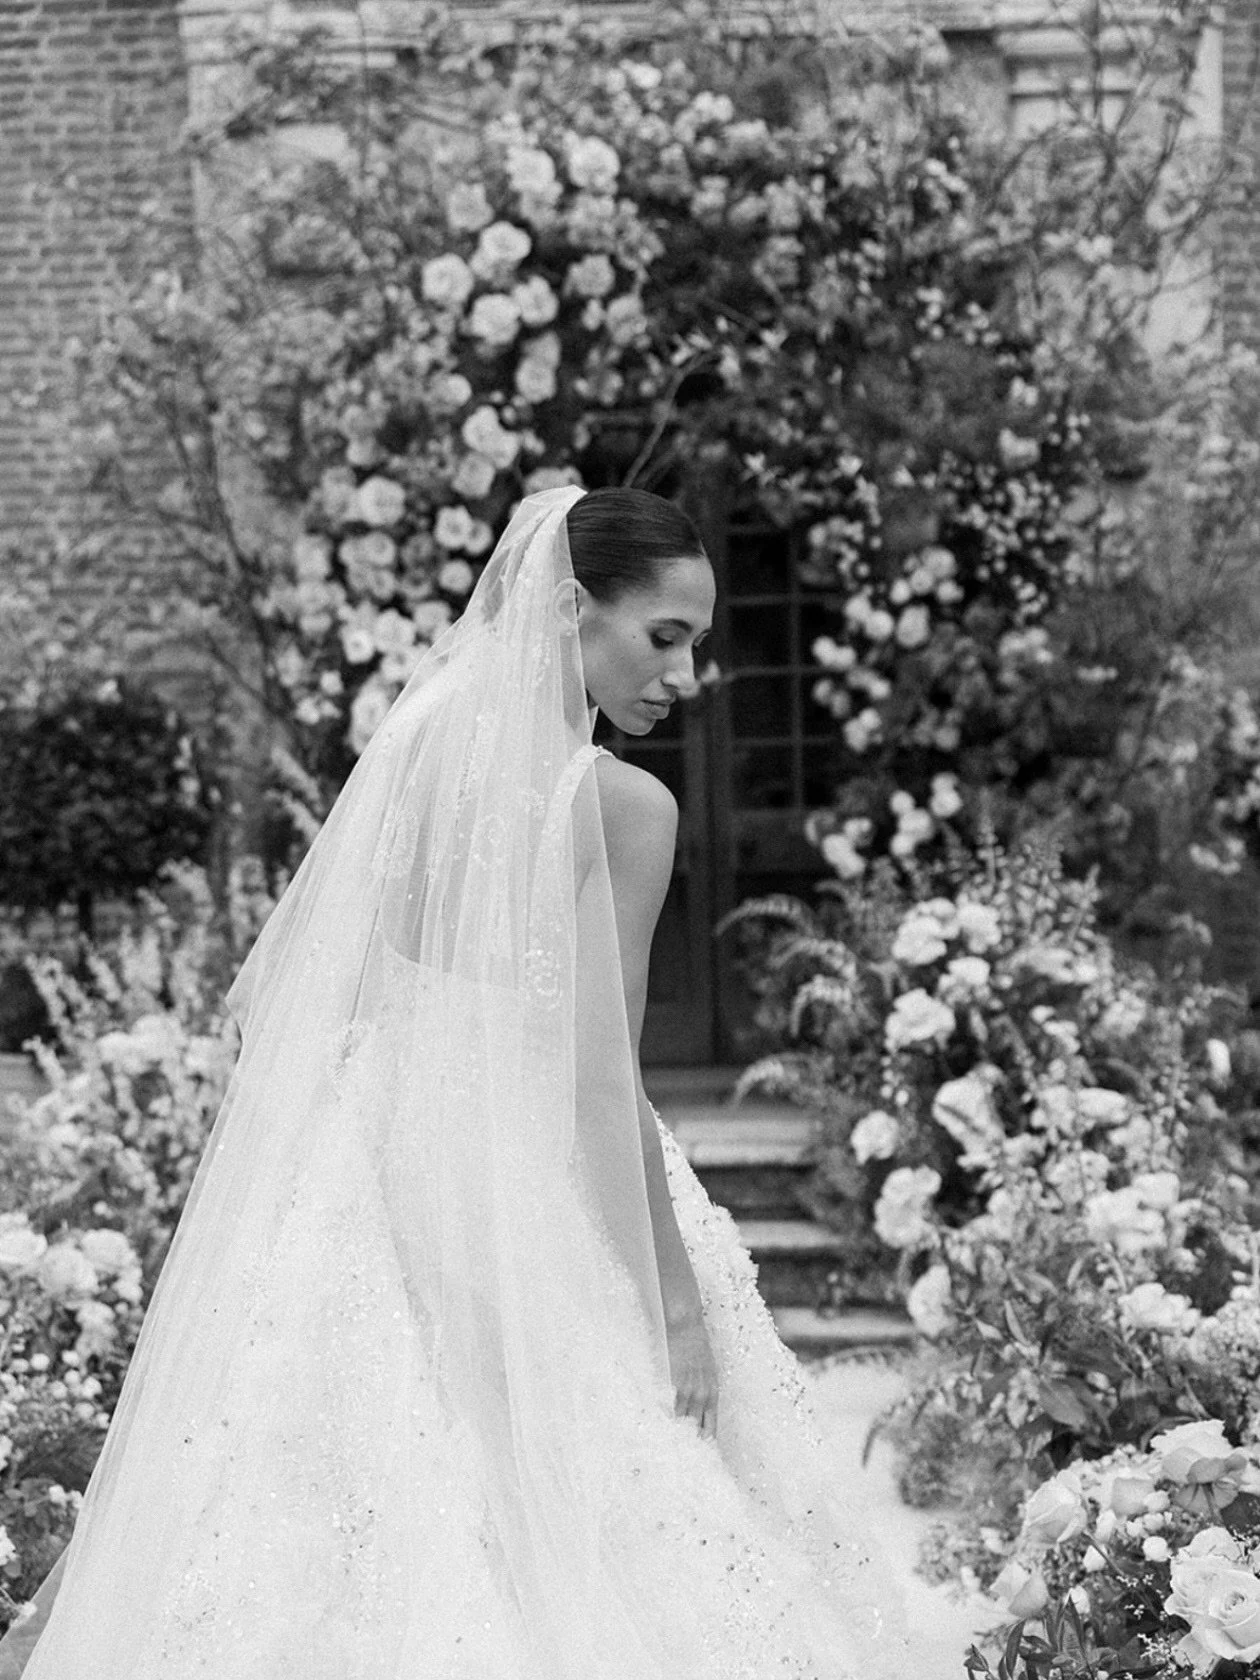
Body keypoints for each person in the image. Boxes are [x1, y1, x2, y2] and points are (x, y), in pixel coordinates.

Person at [0, 485, 905, 1678]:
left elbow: (334, 994)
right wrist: (674, 1306)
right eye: (666, 637)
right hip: (517, 1169)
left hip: (369, 1157)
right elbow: (597, 1081)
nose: (687, 678)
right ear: (571, 607)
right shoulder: (623, 806)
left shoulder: (417, 747)